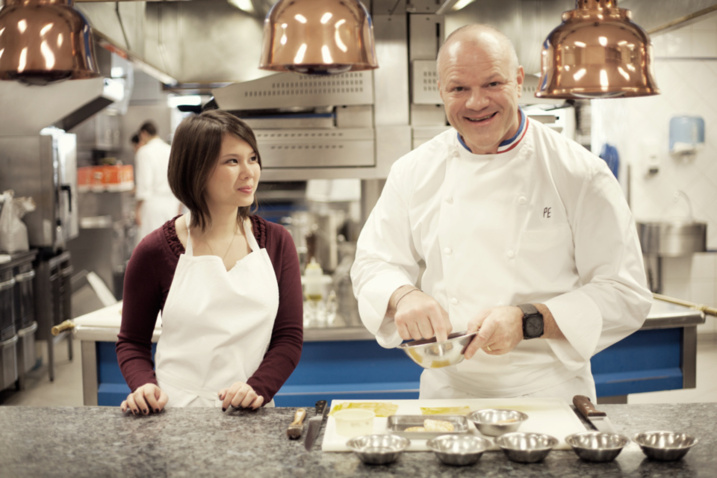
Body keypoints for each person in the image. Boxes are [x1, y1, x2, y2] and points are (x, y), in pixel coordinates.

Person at [350, 24, 652, 402]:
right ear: (441, 91)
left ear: (519, 81)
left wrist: (529, 320)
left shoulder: (579, 172)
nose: (476, 102)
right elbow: (372, 262)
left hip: (547, 393)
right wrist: (404, 295)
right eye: (459, 88)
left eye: (493, 84)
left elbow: (625, 293)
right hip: (448, 393)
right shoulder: (413, 171)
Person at [116, 110, 304, 414]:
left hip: (250, 413)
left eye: (252, 158)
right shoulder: (154, 251)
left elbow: (289, 337)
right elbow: (132, 342)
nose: (249, 172)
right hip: (174, 414)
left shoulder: (277, 242)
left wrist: (257, 387)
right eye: (232, 161)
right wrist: (143, 385)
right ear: (196, 169)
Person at [134, 121, 182, 241]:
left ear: (143, 134)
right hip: (172, 203)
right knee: (170, 245)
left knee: (150, 246)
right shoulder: (170, 150)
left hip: (153, 205)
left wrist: (138, 209)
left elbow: (144, 184)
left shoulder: (144, 152)